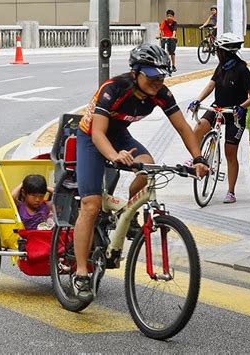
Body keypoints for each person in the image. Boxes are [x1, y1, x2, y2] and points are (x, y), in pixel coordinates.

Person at [73, 43, 209, 303]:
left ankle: (129, 214)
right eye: (152, 76)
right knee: (90, 205)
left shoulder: (162, 93)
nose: (158, 81)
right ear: (135, 73)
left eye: (161, 76)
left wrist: (198, 158)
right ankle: (81, 272)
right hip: (91, 137)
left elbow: (183, 128)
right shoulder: (113, 89)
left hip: (120, 133)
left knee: (147, 167)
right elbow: (99, 133)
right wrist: (113, 156)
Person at [187, 33, 250, 204]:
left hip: (234, 113)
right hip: (218, 107)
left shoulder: (242, 69)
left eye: (218, 50)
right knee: (199, 128)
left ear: (223, 51)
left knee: (230, 153)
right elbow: (211, 85)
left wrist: (242, 107)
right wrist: (198, 100)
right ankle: (196, 157)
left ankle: (231, 192)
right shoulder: (222, 67)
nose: (216, 52)